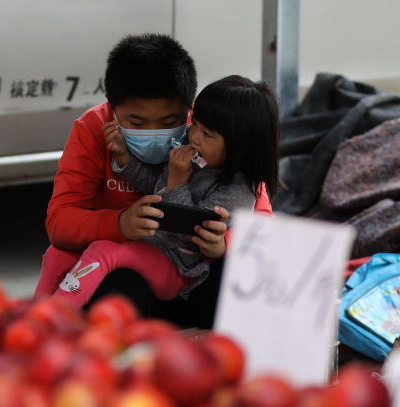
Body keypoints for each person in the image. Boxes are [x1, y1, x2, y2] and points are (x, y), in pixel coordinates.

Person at [34, 33, 270, 326]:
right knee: (71, 261)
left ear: (189, 106)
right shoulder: (94, 128)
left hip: (188, 273)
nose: (155, 131)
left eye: (172, 122)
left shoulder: (215, 129)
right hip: (131, 273)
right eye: (136, 123)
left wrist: (224, 244)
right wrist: (119, 223)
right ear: (112, 106)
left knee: (234, 274)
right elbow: (60, 222)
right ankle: (35, 324)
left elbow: (261, 224)